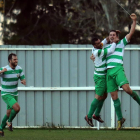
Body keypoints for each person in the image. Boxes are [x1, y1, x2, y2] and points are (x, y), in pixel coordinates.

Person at [106, 13, 139, 130]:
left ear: (117, 36)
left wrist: (134, 21)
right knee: (114, 97)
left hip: (118, 69)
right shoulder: (106, 47)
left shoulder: (121, 43)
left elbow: (131, 33)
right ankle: (120, 119)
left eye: (114, 35)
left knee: (127, 89)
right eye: (110, 35)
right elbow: (96, 51)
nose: (112, 36)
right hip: (108, 73)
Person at [85, 36, 119, 127]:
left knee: (104, 95)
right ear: (94, 45)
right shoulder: (98, 51)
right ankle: (88, 116)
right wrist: (115, 42)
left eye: (100, 42)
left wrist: (112, 35)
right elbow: (111, 50)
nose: (100, 44)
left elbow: (105, 40)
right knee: (98, 96)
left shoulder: (99, 46)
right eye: (98, 43)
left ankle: (96, 114)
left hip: (103, 76)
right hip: (100, 77)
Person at [0, 53, 26, 136]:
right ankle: (9, 122)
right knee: (17, 108)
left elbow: (23, 78)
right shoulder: (4, 69)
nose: (16, 61)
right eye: (14, 59)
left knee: (8, 113)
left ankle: (0, 129)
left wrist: (23, 81)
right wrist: (1, 71)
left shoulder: (19, 69)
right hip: (6, 94)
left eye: (17, 59)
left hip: (14, 94)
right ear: (9, 60)